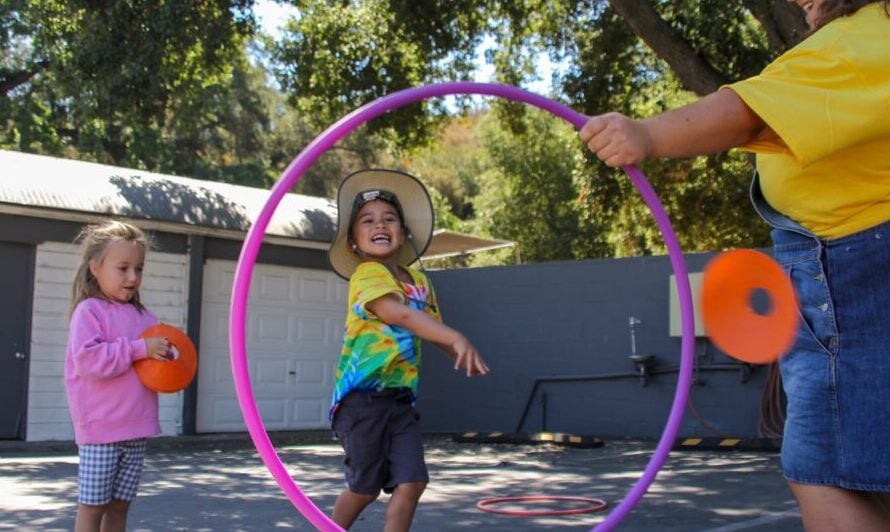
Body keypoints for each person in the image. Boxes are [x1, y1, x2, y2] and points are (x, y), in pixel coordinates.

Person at [579, 0, 890, 529]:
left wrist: (648, 135)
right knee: (861, 473)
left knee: (824, 472)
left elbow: (750, 111)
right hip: (843, 277)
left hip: (850, 277)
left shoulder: (862, 38)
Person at [327, 169, 490, 531]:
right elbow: (398, 314)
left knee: (413, 482)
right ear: (353, 242)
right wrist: (458, 337)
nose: (379, 225)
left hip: (400, 401)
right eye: (367, 221)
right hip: (361, 403)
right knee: (365, 488)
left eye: (389, 219)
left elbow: (431, 331)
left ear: (404, 233)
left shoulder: (420, 282)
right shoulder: (366, 274)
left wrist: (456, 352)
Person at [64, 220, 171, 532]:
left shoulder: (145, 317)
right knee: (93, 506)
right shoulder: (89, 312)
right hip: (101, 429)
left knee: (120, 507)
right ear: (96, 267)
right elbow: (90, 361)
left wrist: (170, 357)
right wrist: (140, 349)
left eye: (139, 268)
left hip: (136, 427)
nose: (133, 277)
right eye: (122, 268)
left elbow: (154, 366)